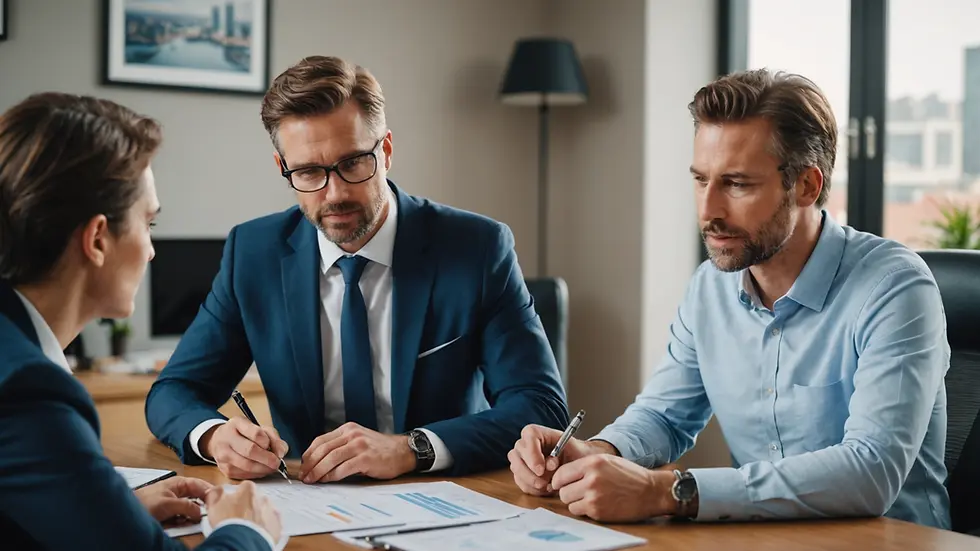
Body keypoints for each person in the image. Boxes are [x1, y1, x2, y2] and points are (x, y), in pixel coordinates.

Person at [509, 69, 951, 529]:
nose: (708, 211)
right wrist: (599, 451)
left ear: (806, 186)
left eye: (737, 184)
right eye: (702, 180)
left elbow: (870, 471)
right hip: (763, 538)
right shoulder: (710, 287)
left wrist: (667, 490)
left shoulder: (895, 287)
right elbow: (664, 416)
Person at [145, 55, 568, 484]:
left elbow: (539, 405)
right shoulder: (253, 253)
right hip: (304, 504)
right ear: (284, 169)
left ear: (385, 151)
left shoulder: (476, 248)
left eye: (352, 163)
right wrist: (216, 437)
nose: (335, 194)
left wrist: (411, 448)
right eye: (309, 172)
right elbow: (174, 392)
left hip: (444, 496)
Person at [0, 92, 283, 550]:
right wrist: (246, 530)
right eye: (148, 224)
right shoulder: (28, 391)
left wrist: (110, 510)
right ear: (96, 239)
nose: (151, 251)